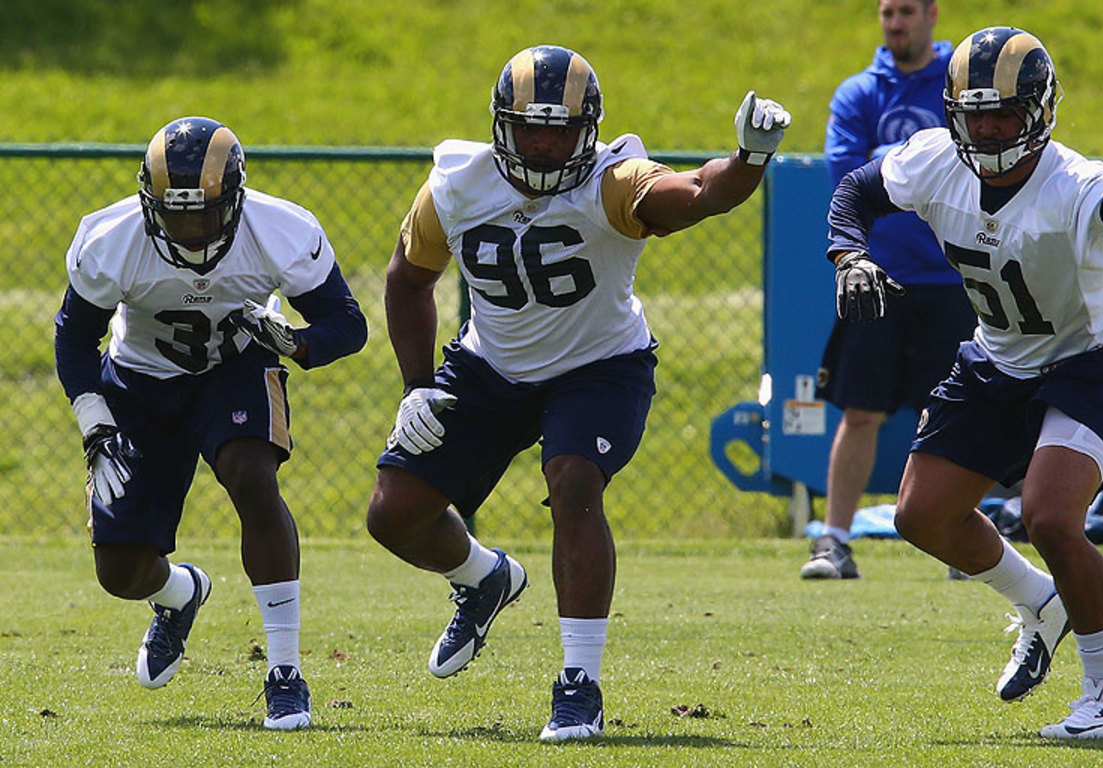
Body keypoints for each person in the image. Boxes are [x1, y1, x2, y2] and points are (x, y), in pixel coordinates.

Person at [365, 44, 790, 742]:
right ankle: (483, 578)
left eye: (558, 130)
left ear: (588, 129)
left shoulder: (613, 182)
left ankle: (578, 684)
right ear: (500, 124)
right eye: (528, 126)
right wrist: (416, 388)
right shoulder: (455, 185)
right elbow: (407, 279)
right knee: (394, 515)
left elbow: (702, 195)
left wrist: (749, 160)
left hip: (599, 365)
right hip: (490, 367)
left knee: (573, 480)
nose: (541, 142)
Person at [827, 27, 1103, 739]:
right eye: (976, 114)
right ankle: (1041, 603)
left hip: (1088, 362)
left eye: (1005, 114)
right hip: (997, 358)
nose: (990, 129)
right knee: (919, 516)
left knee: (1052, 516)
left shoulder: (1074, 181)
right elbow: (856, 191)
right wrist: (849, 256)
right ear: (952, 113)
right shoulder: (935, 161)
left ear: (1042, 111)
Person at [53, 116, 368, 730]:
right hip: (139, 382)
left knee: (252, 474)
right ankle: (179, 594)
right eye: (177, 215)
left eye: (207, 214)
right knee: (120, 573)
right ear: (150, 204)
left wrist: (296, 344)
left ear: (237, 199)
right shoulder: (110, 237)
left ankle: (283, 670)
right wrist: (94, 423)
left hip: (235, 365)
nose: (194, 230)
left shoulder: (280, 228)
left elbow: (346, 324)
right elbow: (75, 338)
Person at [805, 0, 976, 580]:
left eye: (906, 11)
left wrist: (895, 161)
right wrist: (924, 160)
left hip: (954, 279)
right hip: (874, 277)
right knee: (861, 411)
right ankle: (833, 540)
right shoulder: (859, 93)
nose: (895, 23)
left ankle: (961, 539)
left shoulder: (962, 80)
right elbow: (847, 177)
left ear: (932, 13)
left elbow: (981, 161)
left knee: (960, 416)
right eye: (886, 13)